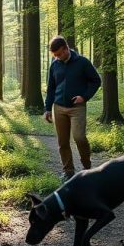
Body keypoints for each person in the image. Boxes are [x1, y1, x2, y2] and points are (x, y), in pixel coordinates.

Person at [43, 36, 101, 181]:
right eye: (54, 55)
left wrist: (84, 97)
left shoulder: (82, 62)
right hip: (58, 108)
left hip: (77, 108)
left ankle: (87, 167)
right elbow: (51, 88)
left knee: (79, 138)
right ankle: (68, 171)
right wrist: (47, 108)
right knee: (62, 142)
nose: (57, 57)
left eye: (59, 54)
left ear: (66, 48)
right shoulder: (55, 65)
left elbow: (96, 80)